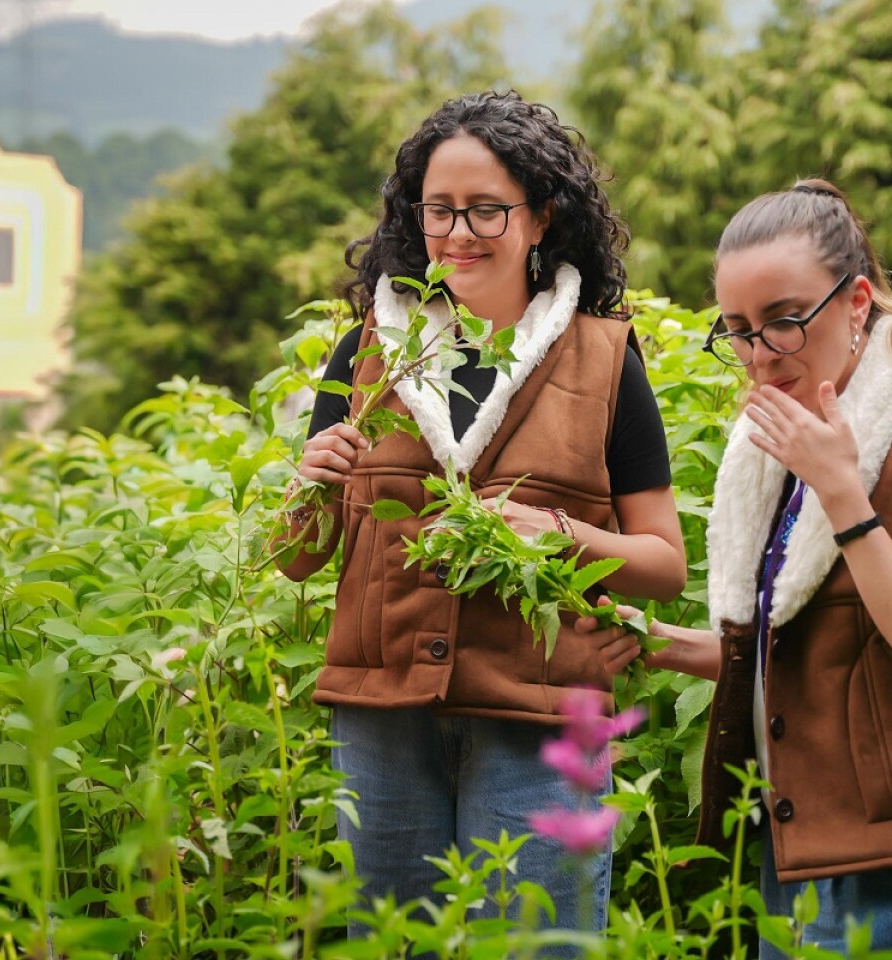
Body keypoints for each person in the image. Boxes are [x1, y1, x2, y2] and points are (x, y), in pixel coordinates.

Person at [579, 179, 892, 957]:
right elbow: (815, 649)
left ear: (857, 300)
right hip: (807, 831)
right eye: (738, 330)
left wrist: (838, 490)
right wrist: (655, 639)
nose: (761, 355)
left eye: (786, 320)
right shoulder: (811, 436)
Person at [276, 91, 687, 939]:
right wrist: (310, 484)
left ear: (541, 218)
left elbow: (665, 565)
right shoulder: (366, 351)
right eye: (438, 210)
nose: (459, 233)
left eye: (487, 211)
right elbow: (298, 557)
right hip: (381, 712)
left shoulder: (607, 359)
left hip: (539, 718)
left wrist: (563, 535)